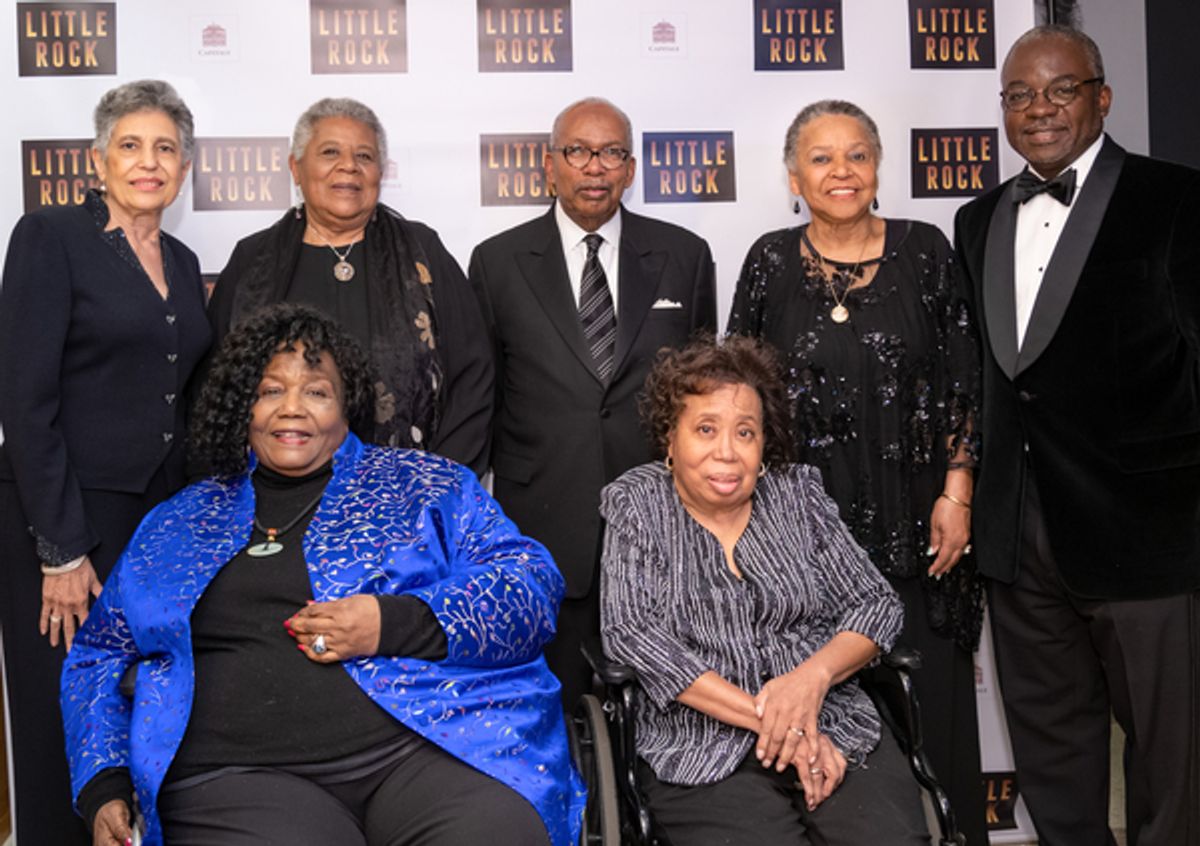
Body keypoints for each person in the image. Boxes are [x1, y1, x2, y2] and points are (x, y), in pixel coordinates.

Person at [60, 304, 584, 846]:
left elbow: (529, 583)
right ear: (243, 406)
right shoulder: (179, 522)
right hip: (242, 778)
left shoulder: (426, 485)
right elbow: (100, 653)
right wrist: (104, 783)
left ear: (345, 406)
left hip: (429, 748)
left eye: (315, 391)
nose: (292, 409)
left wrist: (394, 622)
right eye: (270, 391)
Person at [954, 25, 1200, 846]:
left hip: (1146, 531)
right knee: (1052, 758)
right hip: (1018, 534)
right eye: (1020, 95)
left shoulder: (1176, 199)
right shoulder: (976, 219)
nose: (1040, 109)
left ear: (1103, 97)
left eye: (1062, 89)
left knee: (1172, 762)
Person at [726, 100, 986, 841]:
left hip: (918, 533)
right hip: (800, 546)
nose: (841, 171)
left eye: (857, 155)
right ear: (794, 177)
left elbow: (964, 380)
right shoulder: (769, 261)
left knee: (934, 720)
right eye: (821, 158)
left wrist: (958, 491)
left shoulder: (926, 250)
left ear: (877, 167)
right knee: (824, 732)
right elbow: (738, 398)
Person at [599, 336, 927, 845]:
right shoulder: (636, 503)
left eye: (745, 432)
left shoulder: (798, 495)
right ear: (670, 438)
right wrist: (780, 723)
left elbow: (876, 603)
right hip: (701, 744)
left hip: (833, 724)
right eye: (705, 429)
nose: (727, 452)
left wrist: (811, 680)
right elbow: (632, 633)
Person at [0, 79, 209, 845]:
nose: (148, 162)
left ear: (185, 167)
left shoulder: (183, 260)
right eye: (130, 145)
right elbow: (25, 400)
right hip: (64, 520)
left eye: (165, 148)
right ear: (98, 160)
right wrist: (60, 549)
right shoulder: (50, 236)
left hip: (153, 524)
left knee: (137, 709)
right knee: (61, 710)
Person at [469, 97, 717, 710]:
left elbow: (703, 396)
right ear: (549, 165)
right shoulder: (496, 262)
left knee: (669, 714)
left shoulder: (684, 255)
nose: (594, 166)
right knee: (550, 713)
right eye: (577, 151)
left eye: (610, 152)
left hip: (662, 526)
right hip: (542, 523)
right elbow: (482, 393)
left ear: (631, 168)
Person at [207, 97, 491, 473]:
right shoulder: (252, 261)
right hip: (273, 492)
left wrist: (438, 483)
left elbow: (473, 377)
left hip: (407, 492)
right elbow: (217, 384)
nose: (349, 166)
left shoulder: (422, 252)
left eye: (364, 156)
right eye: (330, 152)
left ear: (380, 173)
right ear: (296, 167)